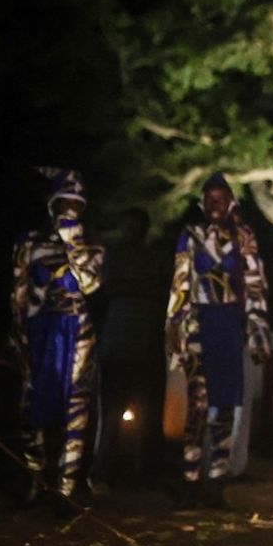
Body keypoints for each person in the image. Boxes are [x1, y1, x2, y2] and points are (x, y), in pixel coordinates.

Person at [165, 173, 272, 509]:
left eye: (221, 199)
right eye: (209, 200)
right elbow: (180, 284)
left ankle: (216, 481)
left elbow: (255, 285)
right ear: (201, 203)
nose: (215, 205)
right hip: (198, 324)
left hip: (229, 325)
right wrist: (174, 330)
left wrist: (258, 333)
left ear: (231, 203)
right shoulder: (190, 235)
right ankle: (191, 478)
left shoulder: (244, 237)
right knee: (197, 404)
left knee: (225, 404)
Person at [11, 168, 104, 514]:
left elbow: (90, 285)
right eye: (64, 204)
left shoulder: (91, 246)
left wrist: (71, 238)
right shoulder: (29, 242)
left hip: (76, 336)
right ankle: (35, 480)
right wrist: (18, 335)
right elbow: (18, 294)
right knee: (29, 410)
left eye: (76, 205)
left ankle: (64, 490)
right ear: (51, 205)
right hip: (39, 336)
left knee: (75, 411)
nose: (70, 210)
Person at [93, 207, 166, 488]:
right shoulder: (113, 256)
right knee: (113, 408)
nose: (132, 231)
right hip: (118, 340)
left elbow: (159, 290)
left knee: (144, 409)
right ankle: (105, 468)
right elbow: (111, 288)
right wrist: (141, 287)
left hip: (144, 341)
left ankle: (140, 470)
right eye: (129, 225)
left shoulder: (151, 257)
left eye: (137, 225)